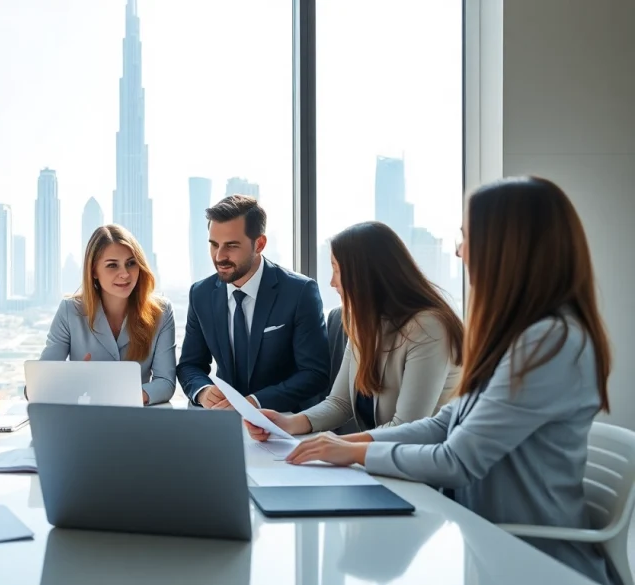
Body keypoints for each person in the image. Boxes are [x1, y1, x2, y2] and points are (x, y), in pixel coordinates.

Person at [252, 177, 617, 585]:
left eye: (467, 237)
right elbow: (443, 424)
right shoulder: (521, 336)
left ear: (506, 248)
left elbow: (456, 459)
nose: (460, 250)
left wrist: (352, 453)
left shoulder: (548, 343)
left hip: (533, 562)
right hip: (483, 543)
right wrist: (339, 444)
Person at [252, 221, 464, 434]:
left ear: (364, 275)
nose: (332, 282)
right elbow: (339, 403)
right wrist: (286, 424)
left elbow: (407, 428)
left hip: (423, 461)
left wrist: (337, 447)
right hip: (379, 458)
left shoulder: (429, 327)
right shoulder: (363, 321)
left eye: (336, 270)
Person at [176, 195, 330, 412]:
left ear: (259, 244)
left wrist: (254, 403)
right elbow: (190, 365)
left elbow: (315, 373)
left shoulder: (299, 291)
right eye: (214, 245)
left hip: (285, 420)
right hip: (224, 420)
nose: (219, 256)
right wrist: (203, 391)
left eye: (231, 245)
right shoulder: (200, 294)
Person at [38, 225, 176, 405]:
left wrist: (121, 395)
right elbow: (39, 384)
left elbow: (165, 383)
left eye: (131, 263)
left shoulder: (161, 311)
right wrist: (71, 378)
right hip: (85, 418)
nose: (125, 274)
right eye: (112, 265)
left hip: (137, 418)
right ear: (94, 270)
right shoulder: (69, 311)